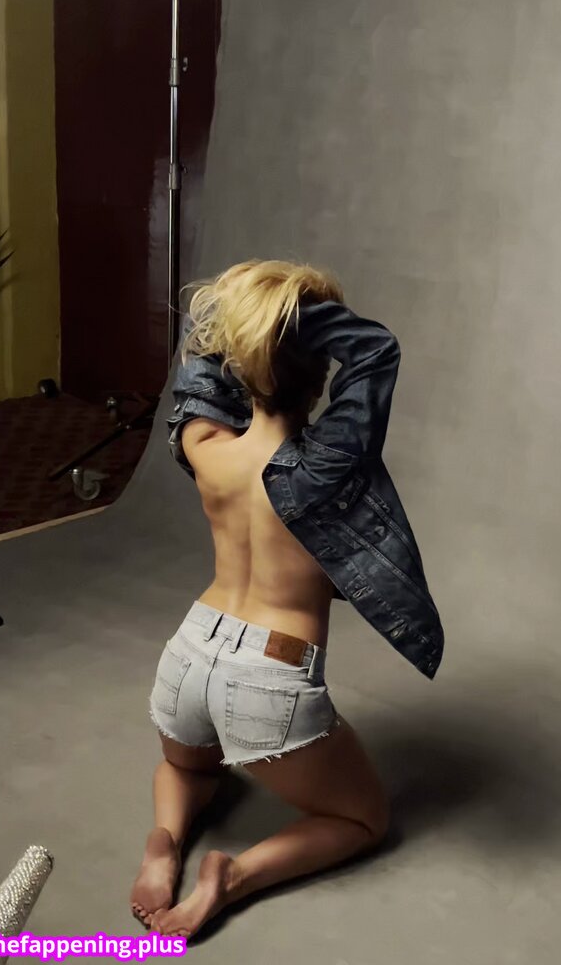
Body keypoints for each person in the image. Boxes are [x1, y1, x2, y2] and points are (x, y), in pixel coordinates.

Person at [130, 260, 392, 940]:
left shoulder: (205, 446)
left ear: (240, 364)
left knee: (186, 767)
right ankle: (233, 877)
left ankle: (164, 842)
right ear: (319, 370)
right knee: (363, 818)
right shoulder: (323, 467)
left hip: (188, 652)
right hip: (268, 675)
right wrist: (304, 326)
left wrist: (250, 330)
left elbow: (199, 371)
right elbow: (375, 352)